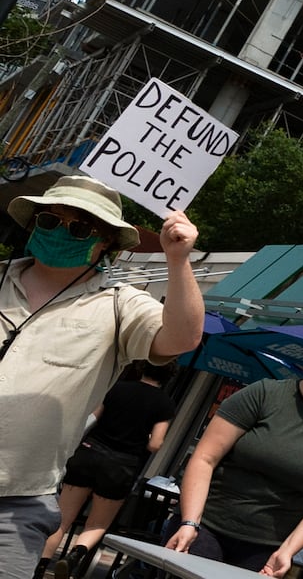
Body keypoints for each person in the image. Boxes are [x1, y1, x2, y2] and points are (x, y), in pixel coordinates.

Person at [0, 176, 204, 579]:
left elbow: (182, 337)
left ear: (105, 243)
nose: (60, 232)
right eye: (49, 221)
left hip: (16, 503)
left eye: (78, 228)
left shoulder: (119, 305)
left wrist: (178, 261)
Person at [163, 328, 303, 577]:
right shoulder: (264, 394)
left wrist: (289, 550)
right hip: (206, 525)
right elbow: (205, 458)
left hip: (268, 547)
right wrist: (189, 522)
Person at [37, 361, 179, 579]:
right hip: (121, 465)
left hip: (89, 452)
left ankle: (40, 568)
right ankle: (75, 555)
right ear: (169, 376)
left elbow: (94, 417)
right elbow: (155, 444)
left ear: (143, 367)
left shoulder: (118, 387)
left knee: (63, 519)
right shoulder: (165, 404)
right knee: (97, 524)